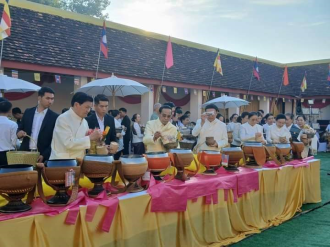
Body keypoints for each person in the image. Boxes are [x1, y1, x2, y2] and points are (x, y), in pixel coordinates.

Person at [50, 92, 112, 160]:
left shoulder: (84, 122)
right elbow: (68, 143)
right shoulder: (63, 118)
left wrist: (100, 145)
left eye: (90, 108)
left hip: (79, 160)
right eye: (86, 107)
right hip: (63, 161)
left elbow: (87, 143)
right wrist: (90, 138)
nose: (88, 111)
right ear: (76, 104)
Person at [17, 87, 58, 162]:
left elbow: (55, 140)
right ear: (39, 98)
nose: (50, 101)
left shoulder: (54, 117)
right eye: (47, 98)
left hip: (42, 154)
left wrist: (44, 155)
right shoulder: (28, 112)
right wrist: (19, 133)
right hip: (25, 152)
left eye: (52, 99)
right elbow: (20, 128)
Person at [0, 98, 17, 165]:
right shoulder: (12, 124)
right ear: (10, 110)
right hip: (8, 154)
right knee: (7, 174)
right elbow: (14, 143)